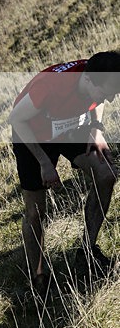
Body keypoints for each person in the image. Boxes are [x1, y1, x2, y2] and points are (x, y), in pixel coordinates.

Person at [9, 51, 120, 295]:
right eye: (107, 92)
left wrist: (96, 128)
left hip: (71, 126)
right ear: (88, 80)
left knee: (106, 174)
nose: (110, 99)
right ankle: (39, 278)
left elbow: (98, 101)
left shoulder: (96, 76)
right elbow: (16, 119)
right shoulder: (51, 86)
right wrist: (44, 163)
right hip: (33, 136)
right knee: (35, 212)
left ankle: (87, 253)